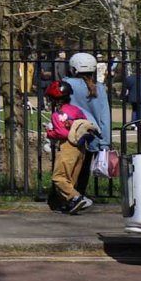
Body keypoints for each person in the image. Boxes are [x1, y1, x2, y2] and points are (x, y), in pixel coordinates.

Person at [45, 80, 99, 214]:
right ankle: (68, 204)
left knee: (59, 177)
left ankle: (77, 197)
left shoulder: (57, 114)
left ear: (54, 100)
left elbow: (62, 133)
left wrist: (49, 132)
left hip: (68, 146)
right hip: (81, 148)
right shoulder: (76, 110)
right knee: (71, 179)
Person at [120, 59, 141, 129]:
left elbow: (124, 88)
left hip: (132, 96)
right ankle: (138, 124)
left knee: (134, 110)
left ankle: (133, 123)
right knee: (140, 111)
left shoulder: (129, 78)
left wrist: (122, 97)